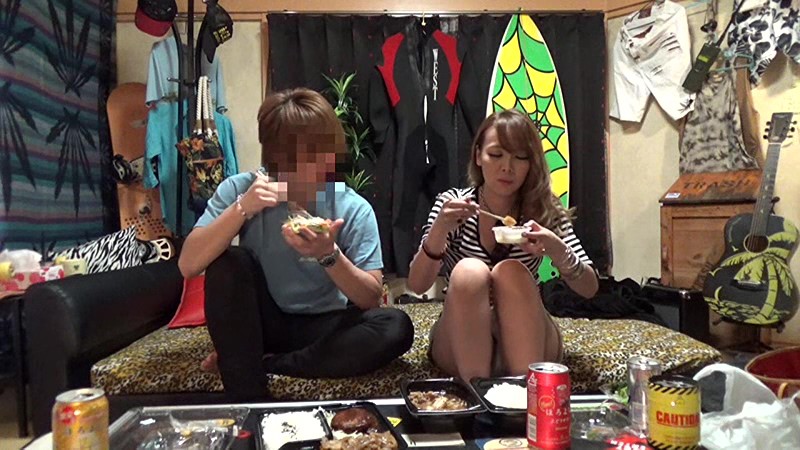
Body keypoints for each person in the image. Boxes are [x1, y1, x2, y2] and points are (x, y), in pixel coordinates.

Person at [178, 88, 414, 401]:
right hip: (264, 323)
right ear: (275, 156)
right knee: (228, 262)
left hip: (325, 326)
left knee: (395, 326)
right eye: (302, 157)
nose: (320, 166)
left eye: (325, 152)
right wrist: (242, 208)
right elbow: (189, 264)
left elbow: (370, 298)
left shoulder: (352, 207)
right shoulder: (242, 189)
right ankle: (249, 398)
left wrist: (328, 254)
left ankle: (268, 364)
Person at [407, 109, 599, 383]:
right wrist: (439, 229)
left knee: (510, 271)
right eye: (496, 155)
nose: (507, 167)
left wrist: (556, 249)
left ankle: (523, 396)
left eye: (520, 157)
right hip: (464, 334)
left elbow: (590, 288)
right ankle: (477, 395)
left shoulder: (543, 209)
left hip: (526, 331)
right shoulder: (454, 205)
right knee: (470, 271)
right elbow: (417, 285)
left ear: (531, 163)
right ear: (478, 156)